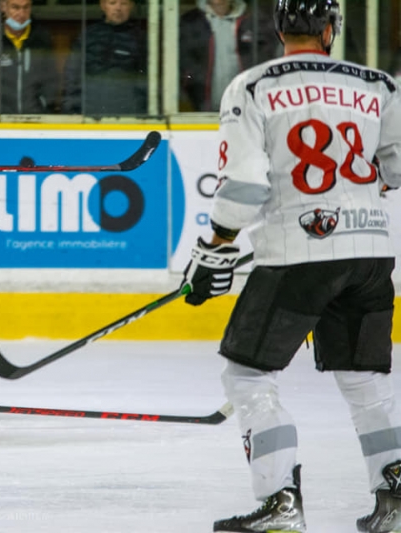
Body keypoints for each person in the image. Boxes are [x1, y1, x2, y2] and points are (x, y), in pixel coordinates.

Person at [180, 1, 401, 531]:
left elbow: (247, 185)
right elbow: (393, 167)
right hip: (370, 250)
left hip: (296, 256)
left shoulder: (254, 86)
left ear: (279, 29)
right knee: (365, 381)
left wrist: (216, 246)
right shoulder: (378, 85)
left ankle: (280, 502)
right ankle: (394, 498)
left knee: (249, 375)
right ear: (330, 30)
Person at [179, 0, 279, 112]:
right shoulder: (188, 22)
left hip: (246, 113)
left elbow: (266, 65)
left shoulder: (255, 22)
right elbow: (182, 68)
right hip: (197, 114)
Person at [0, 0, 59, 114]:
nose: (21, 14)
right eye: (15, 7)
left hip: (34, 119)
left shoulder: (41, 38)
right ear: (3, 7)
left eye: (26, 7)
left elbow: (51, 80)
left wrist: (44, 107)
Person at [61, 0, 148, 116]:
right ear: (103, 6)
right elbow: (72, 74)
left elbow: (147, 82)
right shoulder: (88, 35)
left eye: (124, 3)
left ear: (131, 6)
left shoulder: (141, 39)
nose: (118, 8)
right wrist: (70, 108)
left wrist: (142, 114)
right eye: (112, 3)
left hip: (128, 115)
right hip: (88, 113)